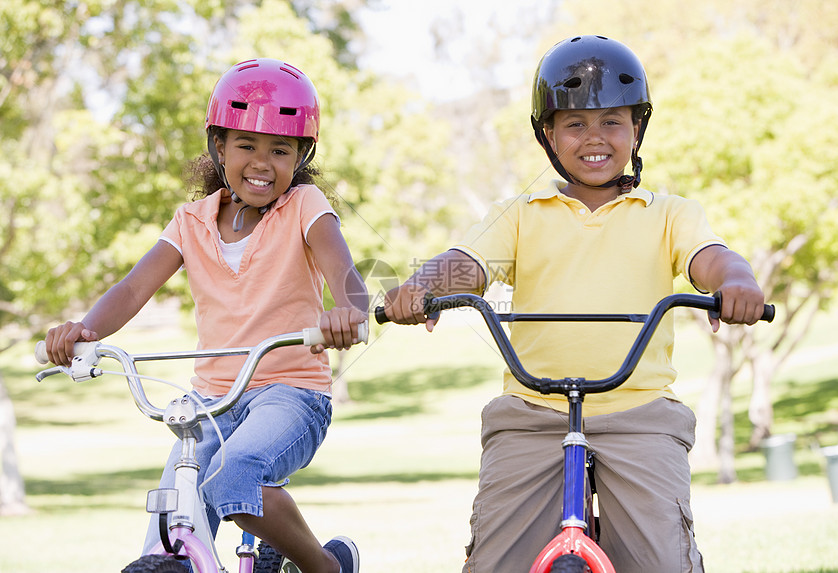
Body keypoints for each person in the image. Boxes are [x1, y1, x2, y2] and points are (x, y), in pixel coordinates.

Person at [382, 35, 766, 573]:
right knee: (494, 561)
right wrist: (425, 287)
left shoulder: (669, 213)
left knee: (663, 560)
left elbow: (713, 259)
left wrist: (738, 283)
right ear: (548, 134)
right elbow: (467, 261)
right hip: (531, 409)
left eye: (612, 121)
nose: (595, 137)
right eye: (575, 123)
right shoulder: (520, 213)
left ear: (637, 129)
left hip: (640, 412)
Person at [42, 58, 365, 573]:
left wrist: (348, 312)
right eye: (246, 145)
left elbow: (348, 279)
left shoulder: (305, 205)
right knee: (169, 527)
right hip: (209, 403)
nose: (263, 162)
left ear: (301, 155)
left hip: (290, 394)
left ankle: (323, 567)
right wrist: (85, 331)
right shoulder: (190, 221)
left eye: (280, 150)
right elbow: (132, 288)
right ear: (219, 146)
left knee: (234, 475)